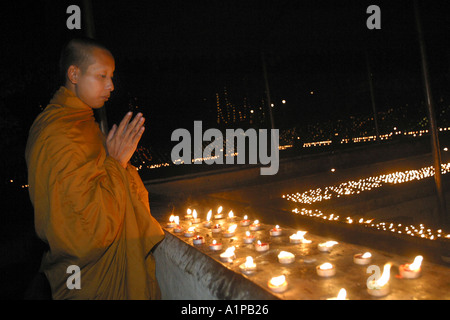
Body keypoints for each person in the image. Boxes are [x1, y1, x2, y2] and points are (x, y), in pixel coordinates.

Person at [25, 38, 165, 299]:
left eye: (111, 76)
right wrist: (116, 163)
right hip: (87, 277)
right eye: (102, 76)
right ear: (74, 74)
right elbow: (82, 231)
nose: (111, 85)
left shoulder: (83, 124)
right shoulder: (57, 133)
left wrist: (118, 164)